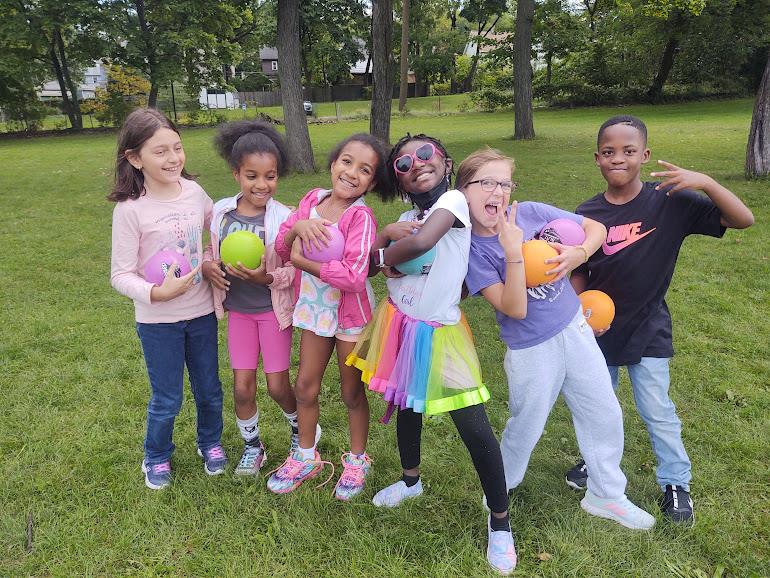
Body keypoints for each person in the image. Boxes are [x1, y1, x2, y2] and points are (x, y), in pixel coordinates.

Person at [566, 115, 754, 522]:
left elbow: (744, 219)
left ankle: (675, 483)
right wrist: (578, 307)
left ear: (644, 155)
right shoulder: (587, 213)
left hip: (649, 328)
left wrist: (705, 182)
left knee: (657, 409)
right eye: (610, 152)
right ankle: (596, 464)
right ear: (597, 159)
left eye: (629, 151)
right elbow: (579, 268)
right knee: (599, 406)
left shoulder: (670, 201)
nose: (619, 159)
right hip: (598, 331)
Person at [347, 136, 517, 575]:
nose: (416, 163)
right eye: (403, 162)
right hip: (400, 326)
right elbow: (400, 258)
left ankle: (500, 524)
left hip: (442, 335)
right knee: (408, 406)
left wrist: (376, 257)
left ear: (446, 163)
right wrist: (387, 239)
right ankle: (410, 480)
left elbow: (420, 246)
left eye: (426, 154)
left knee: (475, 428)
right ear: (399, 180)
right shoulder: (407, 218)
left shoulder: (457, 202)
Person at [463, 148, 656, 531]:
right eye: (486, 182)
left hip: (575, 328)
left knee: (604, 410)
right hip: (531, 349)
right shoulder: (472, 250)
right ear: (464, 191)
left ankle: (606, 494)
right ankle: (500, 487)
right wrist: (513, 250)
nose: (497, 192)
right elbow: (513, 308)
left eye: (504, 183)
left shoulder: (531, 212)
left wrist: (578, 253)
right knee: (527, 422)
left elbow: (595, 229)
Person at [265, 133, 392, 501]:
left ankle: (357, 460)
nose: (352, 173)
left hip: (350, 316)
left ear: (372, 181)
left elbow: (354, 276)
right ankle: (305, 455)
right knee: (305, 386)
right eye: (347, 161)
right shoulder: (311, 200)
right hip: (315, 310)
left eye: (365, 170)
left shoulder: (361, 216)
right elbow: (280, 245)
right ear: (334, 162)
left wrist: (303, 260)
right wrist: (297, 228)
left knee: (351, 391)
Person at [109, 108, 226, 490]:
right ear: (134, 158)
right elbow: (120, 274)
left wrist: (209, 262)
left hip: (201, 313)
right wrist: (157, 293)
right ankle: (156, 456)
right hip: (157, 322)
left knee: (209, 388)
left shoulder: (194, 193)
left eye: (177, 147)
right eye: (160, 152)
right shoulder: (130, 211)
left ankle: (210, 443)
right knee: (167, 397)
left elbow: (215, 233)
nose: (173, 158)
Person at [202, 120, 306, 477]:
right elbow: (208, 251)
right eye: (252, 176)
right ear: (236, 175)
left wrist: (267, 277)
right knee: (242, 387)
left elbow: (295, 268)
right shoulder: (220, 213)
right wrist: (208, 267)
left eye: (270, 176)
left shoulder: (285, 218)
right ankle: (252, 446)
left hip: (271, 313)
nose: (262, 185)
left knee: (278, 386)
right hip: (239, 314)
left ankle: (300, 433)